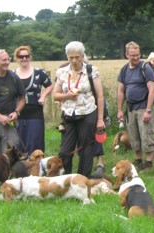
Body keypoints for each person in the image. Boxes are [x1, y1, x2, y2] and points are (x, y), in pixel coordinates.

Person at [53, 41, 106, 176]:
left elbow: (100, 96)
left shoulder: (91, 71)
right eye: (71, 58)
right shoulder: (62, 72)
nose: (74, 60)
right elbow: (55, 95)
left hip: (88, 113)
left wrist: (100, 119)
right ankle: (66, 179)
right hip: (69, 115)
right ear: (67, 58)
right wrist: (67, 96)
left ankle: (83, 179)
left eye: (77, 57)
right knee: (65, 151)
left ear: (82, 56)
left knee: (86, 149)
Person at [117, 41, 154, 170]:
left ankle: (149, 163)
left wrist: (148, 110)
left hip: (144, 106)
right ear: (127, 55)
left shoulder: (145, 68)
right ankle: (138, 160)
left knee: (147, 135)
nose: (135, 58)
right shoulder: (124, 70)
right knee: (134, 136)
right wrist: (119, 110)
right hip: (130, 108)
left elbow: (152, 89)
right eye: (132, 55)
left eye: (138, 55)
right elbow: (121, 91)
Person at [13, 46, 53, 156]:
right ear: (16, 58)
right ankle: (21, 168)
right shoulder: (12, 74)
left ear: (30, 57)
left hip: (35, 111)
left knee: (35, 140)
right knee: (19, 142)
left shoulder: (39, 73)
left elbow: (49, 86)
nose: (24, 59)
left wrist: (43, 96)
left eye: (27, 56)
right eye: (21, 56)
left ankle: (36, 167)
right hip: (18, 113)